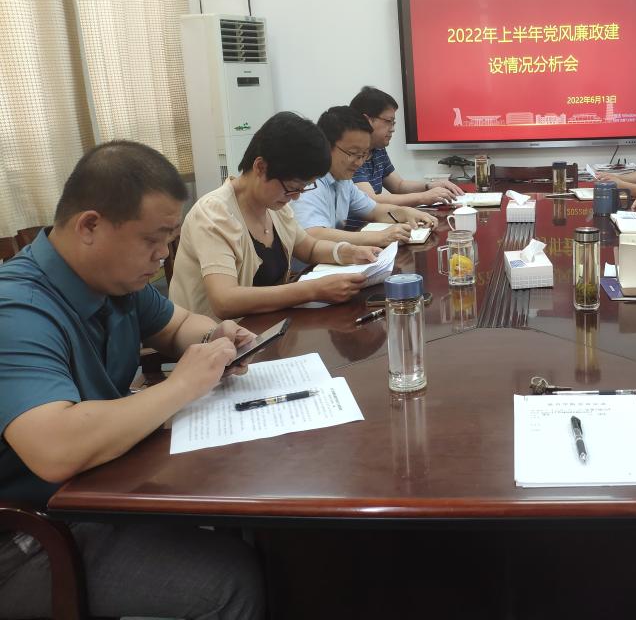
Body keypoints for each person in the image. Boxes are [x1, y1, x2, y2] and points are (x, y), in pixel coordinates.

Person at [0, 141, 263, 618]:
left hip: (93, 490)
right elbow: (54, 448)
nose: (164, 255)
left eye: (170, 239)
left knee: (247, 521)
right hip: (26, 537)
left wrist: (215, 337)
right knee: (230, 582)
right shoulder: (16, 310)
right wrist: (182, 385)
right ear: (90, 226)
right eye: (153, 240)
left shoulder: (115, 282)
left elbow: (178, 327)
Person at [170, 111, 380, 321]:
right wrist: (312, 290)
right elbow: (225, 301)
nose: (296, 197)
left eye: (303, 188)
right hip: (216, 336)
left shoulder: (274, 206)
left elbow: (309, 247)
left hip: (266, 327)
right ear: (260, 167)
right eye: (292, 187)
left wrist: (347, 252)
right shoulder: (214, 213)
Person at [292, 106, 438, 250]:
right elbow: (313, 234)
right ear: (327, 146)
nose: (359, 162)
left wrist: (407, 213)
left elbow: (374, 210)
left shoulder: (343, 180)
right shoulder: (308, 182)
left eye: (363, 155)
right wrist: (379, 237)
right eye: (353, 153)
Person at [351, 86, 464, 205]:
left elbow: (398, 186)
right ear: (366, 120)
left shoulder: (377, 149)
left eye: (393, 123)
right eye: (388, 121)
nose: (393, 129)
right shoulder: (352, 154)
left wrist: (430, 186)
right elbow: (370, 200)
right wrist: (423, 197)